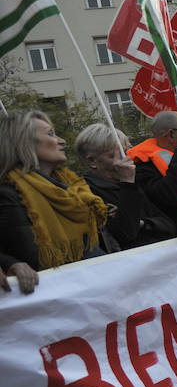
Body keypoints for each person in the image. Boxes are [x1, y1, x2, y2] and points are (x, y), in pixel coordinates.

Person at [0, 112, 107, 292]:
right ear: (24, 143)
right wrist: (10, 264)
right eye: (50, 134)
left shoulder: (72, 188)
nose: (62, 141)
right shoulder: (8, 193)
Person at [76, 123, 176, 249]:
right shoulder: (87, 192)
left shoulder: (133, 182)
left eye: (128, 151)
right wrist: (127, 183)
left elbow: (168, 225)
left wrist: (142, 223)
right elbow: (126, 233)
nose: (128, 158)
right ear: (92, 161)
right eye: (121, 154)